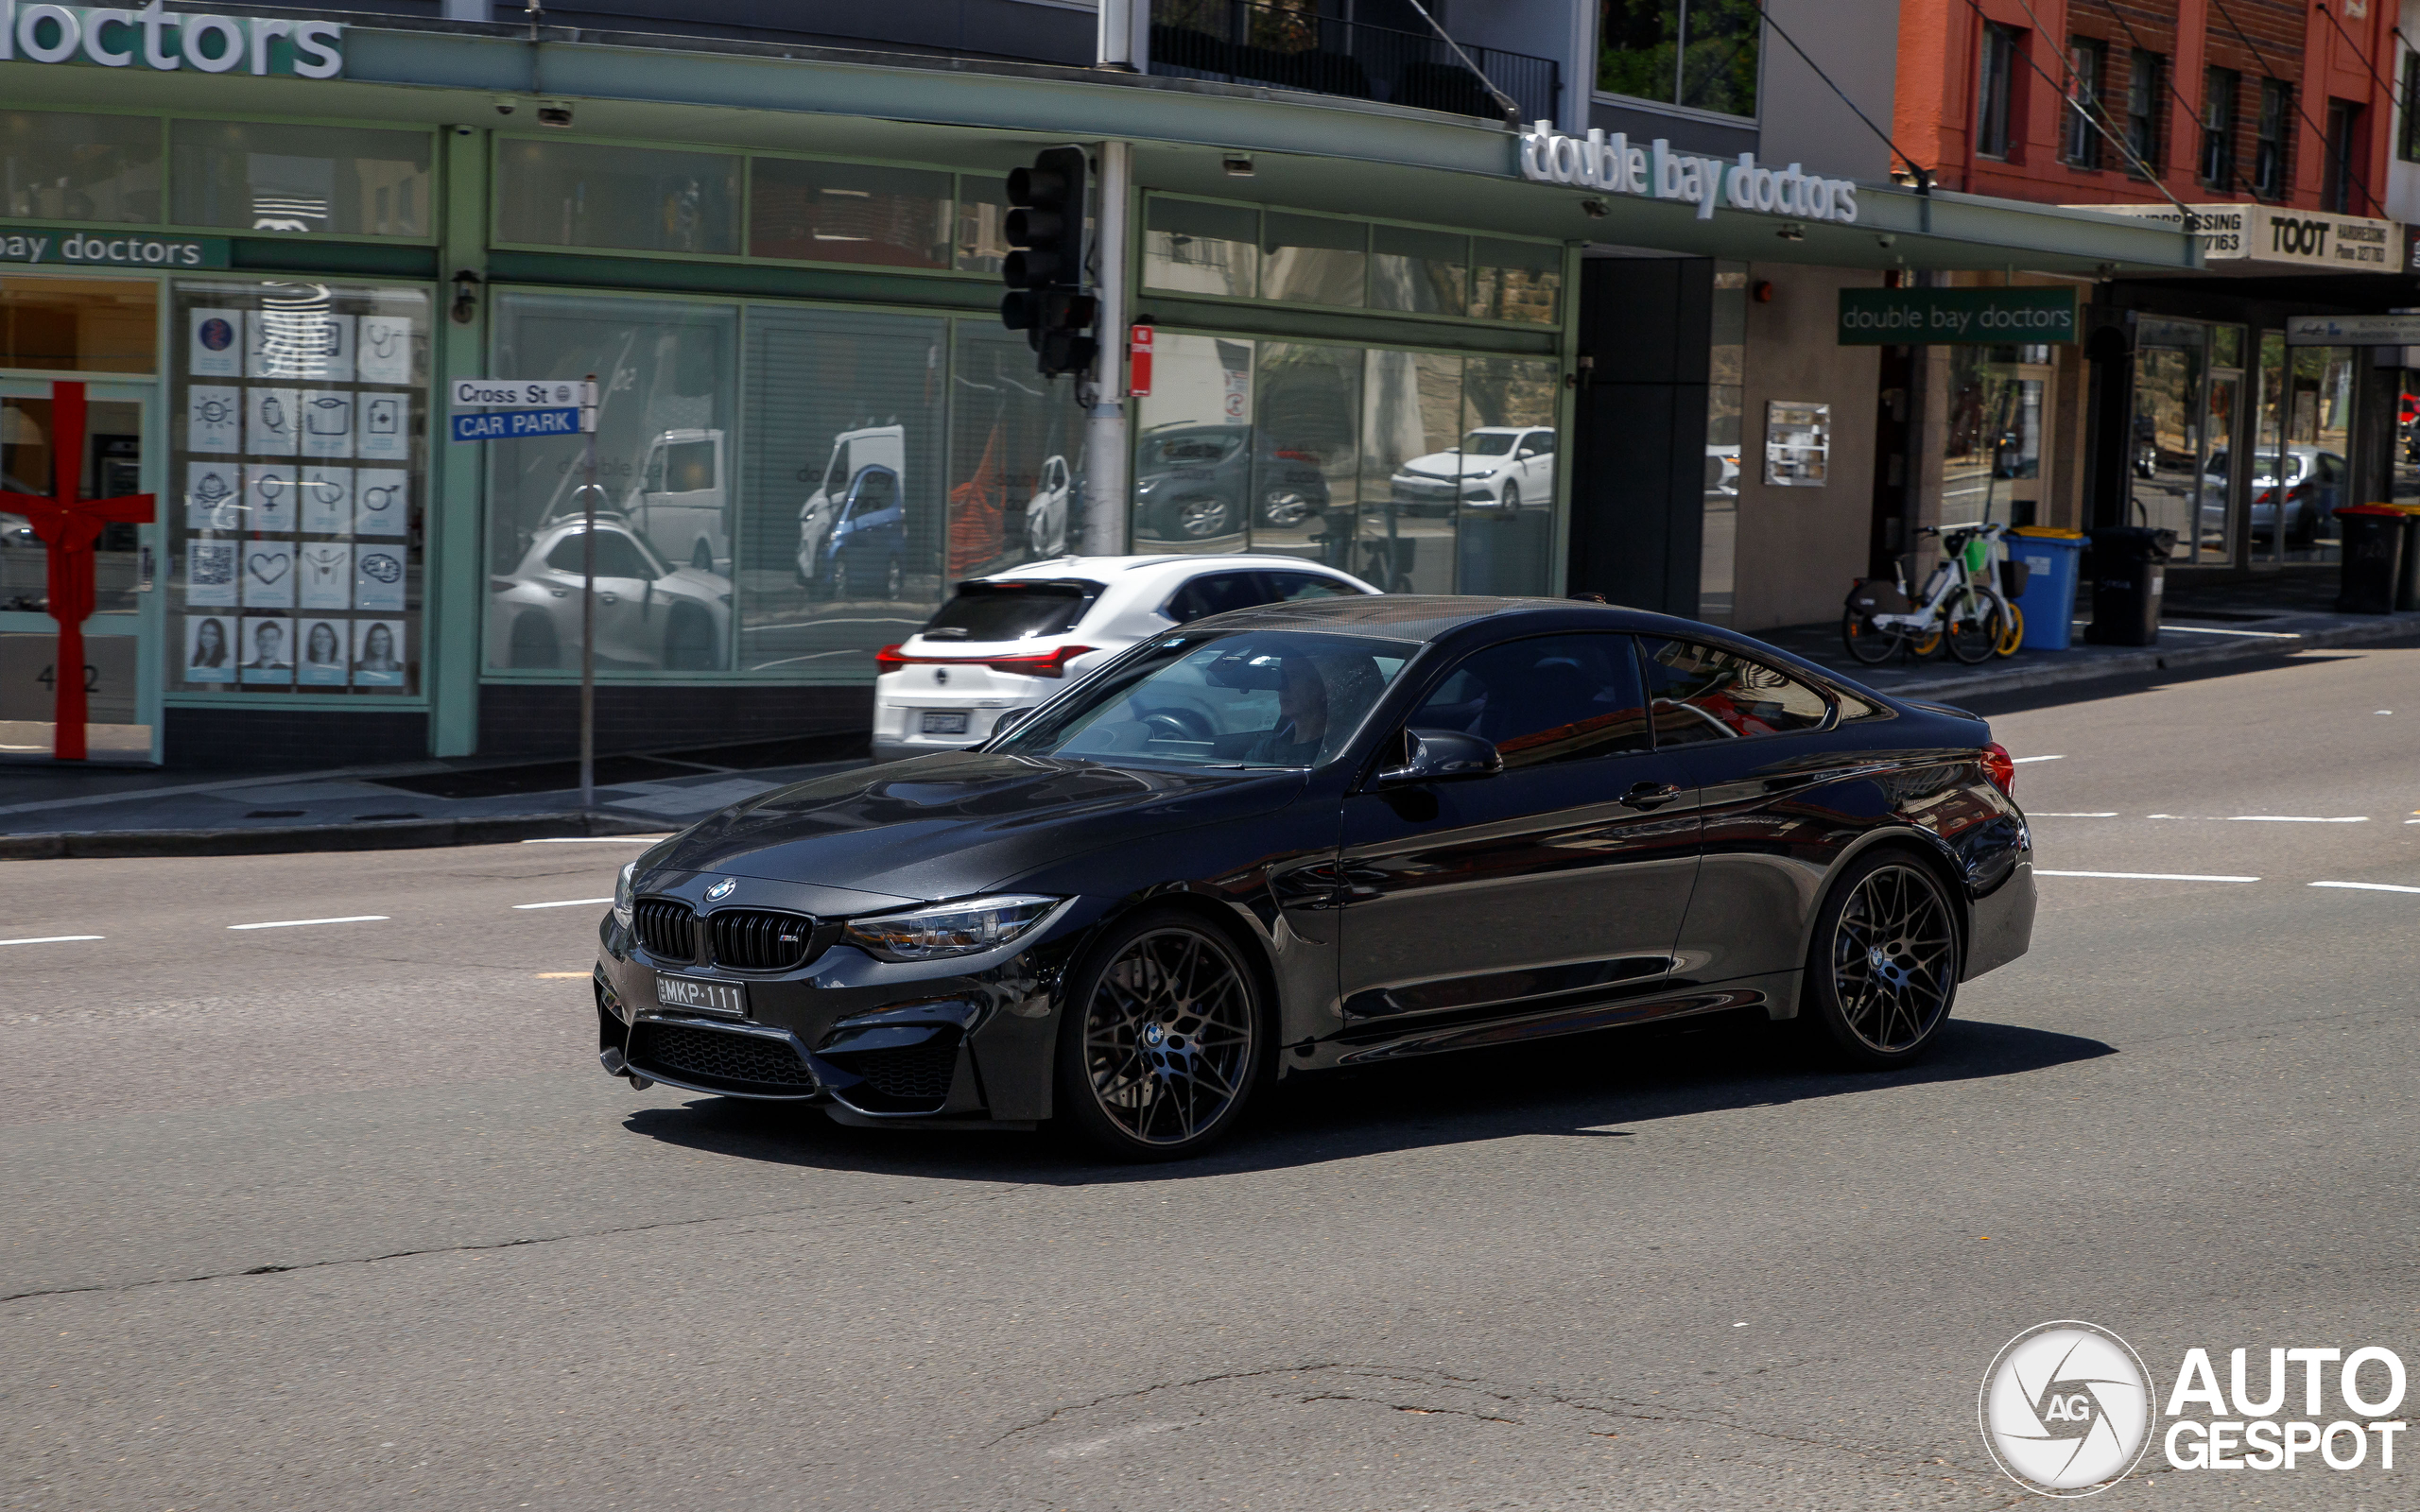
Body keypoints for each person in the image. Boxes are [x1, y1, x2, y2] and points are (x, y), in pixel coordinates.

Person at [1245, 651, 1381, 766]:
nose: (1282, 687)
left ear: (1325, 689)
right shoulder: (1267, 749)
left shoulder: (1343, 750)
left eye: (1294, 677)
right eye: (1282, 677)